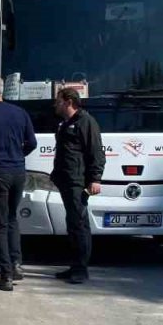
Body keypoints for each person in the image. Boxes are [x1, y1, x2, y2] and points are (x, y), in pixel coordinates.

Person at [0, 74, 37, 291]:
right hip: (18, 171)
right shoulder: (20, 112)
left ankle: (5, 274)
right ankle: (17, 263)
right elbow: (32, 142)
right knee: (12, 218)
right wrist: (17, 154)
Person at [51, 87, 105, 284]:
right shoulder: (66, 123)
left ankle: (81, 269)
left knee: (80, 225)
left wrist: (95, 179)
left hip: (78, 182)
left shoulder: (85, 122)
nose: (55, 104)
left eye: (58, 101)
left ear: (68, 102)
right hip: (66, 181)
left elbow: (96, 153)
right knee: (72, 225)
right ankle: (74, 265)